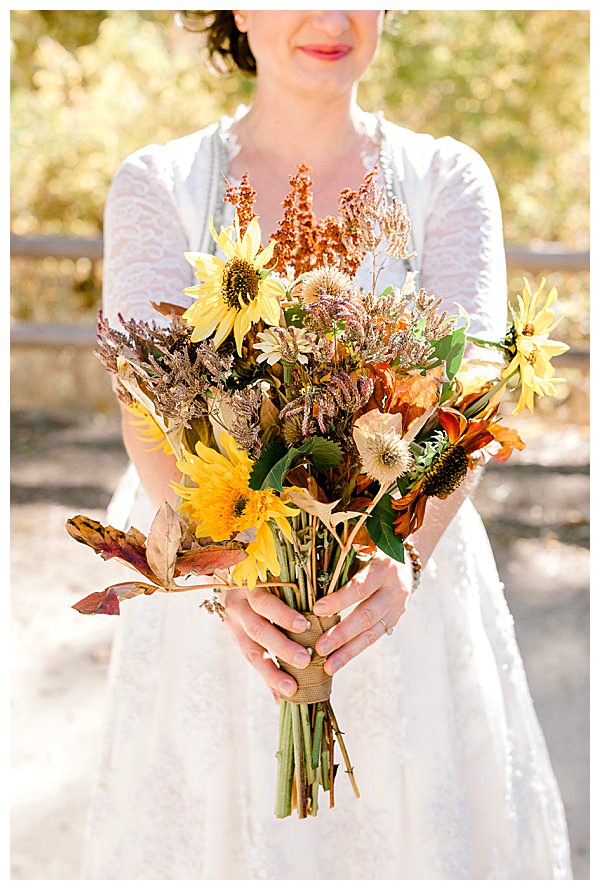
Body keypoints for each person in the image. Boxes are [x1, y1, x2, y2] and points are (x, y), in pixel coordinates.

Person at [83, 10, 572, 879]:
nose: (331, 15)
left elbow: (467, 406)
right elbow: (143, 406)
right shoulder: (158, 184)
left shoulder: (447, 180)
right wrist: (224, 569)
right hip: (216, 589)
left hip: (401, 580)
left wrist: (406, 562)